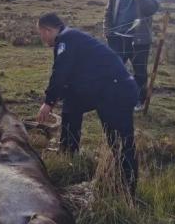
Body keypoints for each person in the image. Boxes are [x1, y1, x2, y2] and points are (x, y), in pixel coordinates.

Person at [36, 13, 139, 197]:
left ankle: (127, 191)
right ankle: (68, 157)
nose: (41, 38)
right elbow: (70, 79)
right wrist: (59, 97)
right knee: (71, 106)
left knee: (120, 142)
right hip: (103, 88)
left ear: (48, 30)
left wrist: (48, 102)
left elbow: (60, 73)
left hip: (116, 91)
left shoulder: (66, 40)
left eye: (41, 33)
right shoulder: (70, 38)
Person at [103, 0, 161, 110]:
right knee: (113, 69)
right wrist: (108, 31)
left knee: (139, 73)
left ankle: (138, 101)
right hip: (117, 38)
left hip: (139, 39)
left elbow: (151, 9)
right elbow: (108, 11)